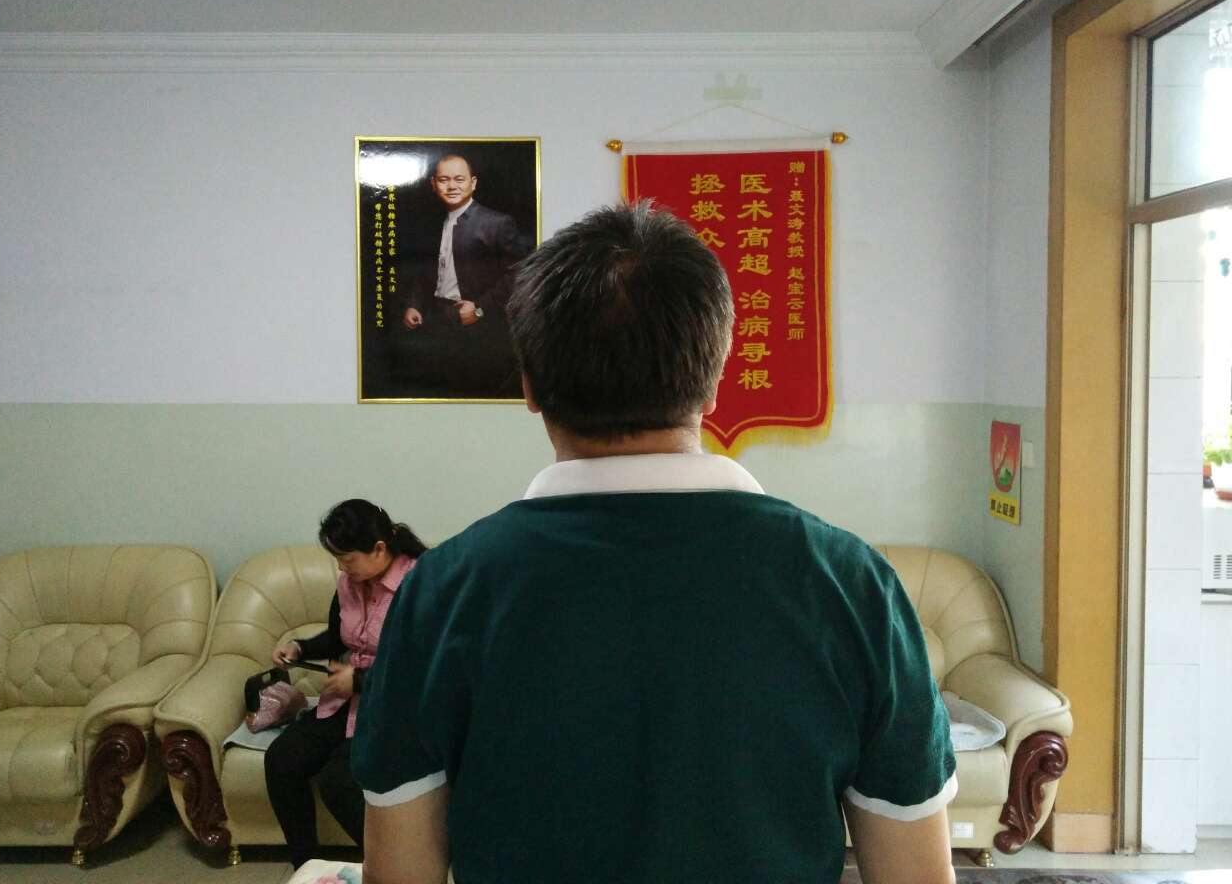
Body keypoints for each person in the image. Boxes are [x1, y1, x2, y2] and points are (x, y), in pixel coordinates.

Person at [352, 203, 957, 884]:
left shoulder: (443, 591)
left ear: (529, 386)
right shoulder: (849, 585)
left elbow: (399, 871)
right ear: (715, 379)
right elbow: (916, 873)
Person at [263, 499, 426, 870]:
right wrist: (300, 647)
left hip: (394, 708)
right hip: (345, 701)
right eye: (337, 559)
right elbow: (339, 636)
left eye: (347, 559)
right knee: (282, 760)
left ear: (379, 549)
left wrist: (362, 680)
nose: (341, 567)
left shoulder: (419, 584)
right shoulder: (348, 583)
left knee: (338, 782)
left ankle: (396, 869)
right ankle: (307, 866)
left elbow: (423, 663)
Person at [393, 152, 530, 398]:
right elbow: (424, 270)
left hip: (478, 326)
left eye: (459, 179)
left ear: (473, 183)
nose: (452, 186)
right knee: (437, 391)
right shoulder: (432, 223)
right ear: (433, 184)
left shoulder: (497, 223)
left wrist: (480, 308)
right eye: (444, 179)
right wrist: (414, 304)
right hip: (434, 320)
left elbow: (519, 274)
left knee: (474, 392)